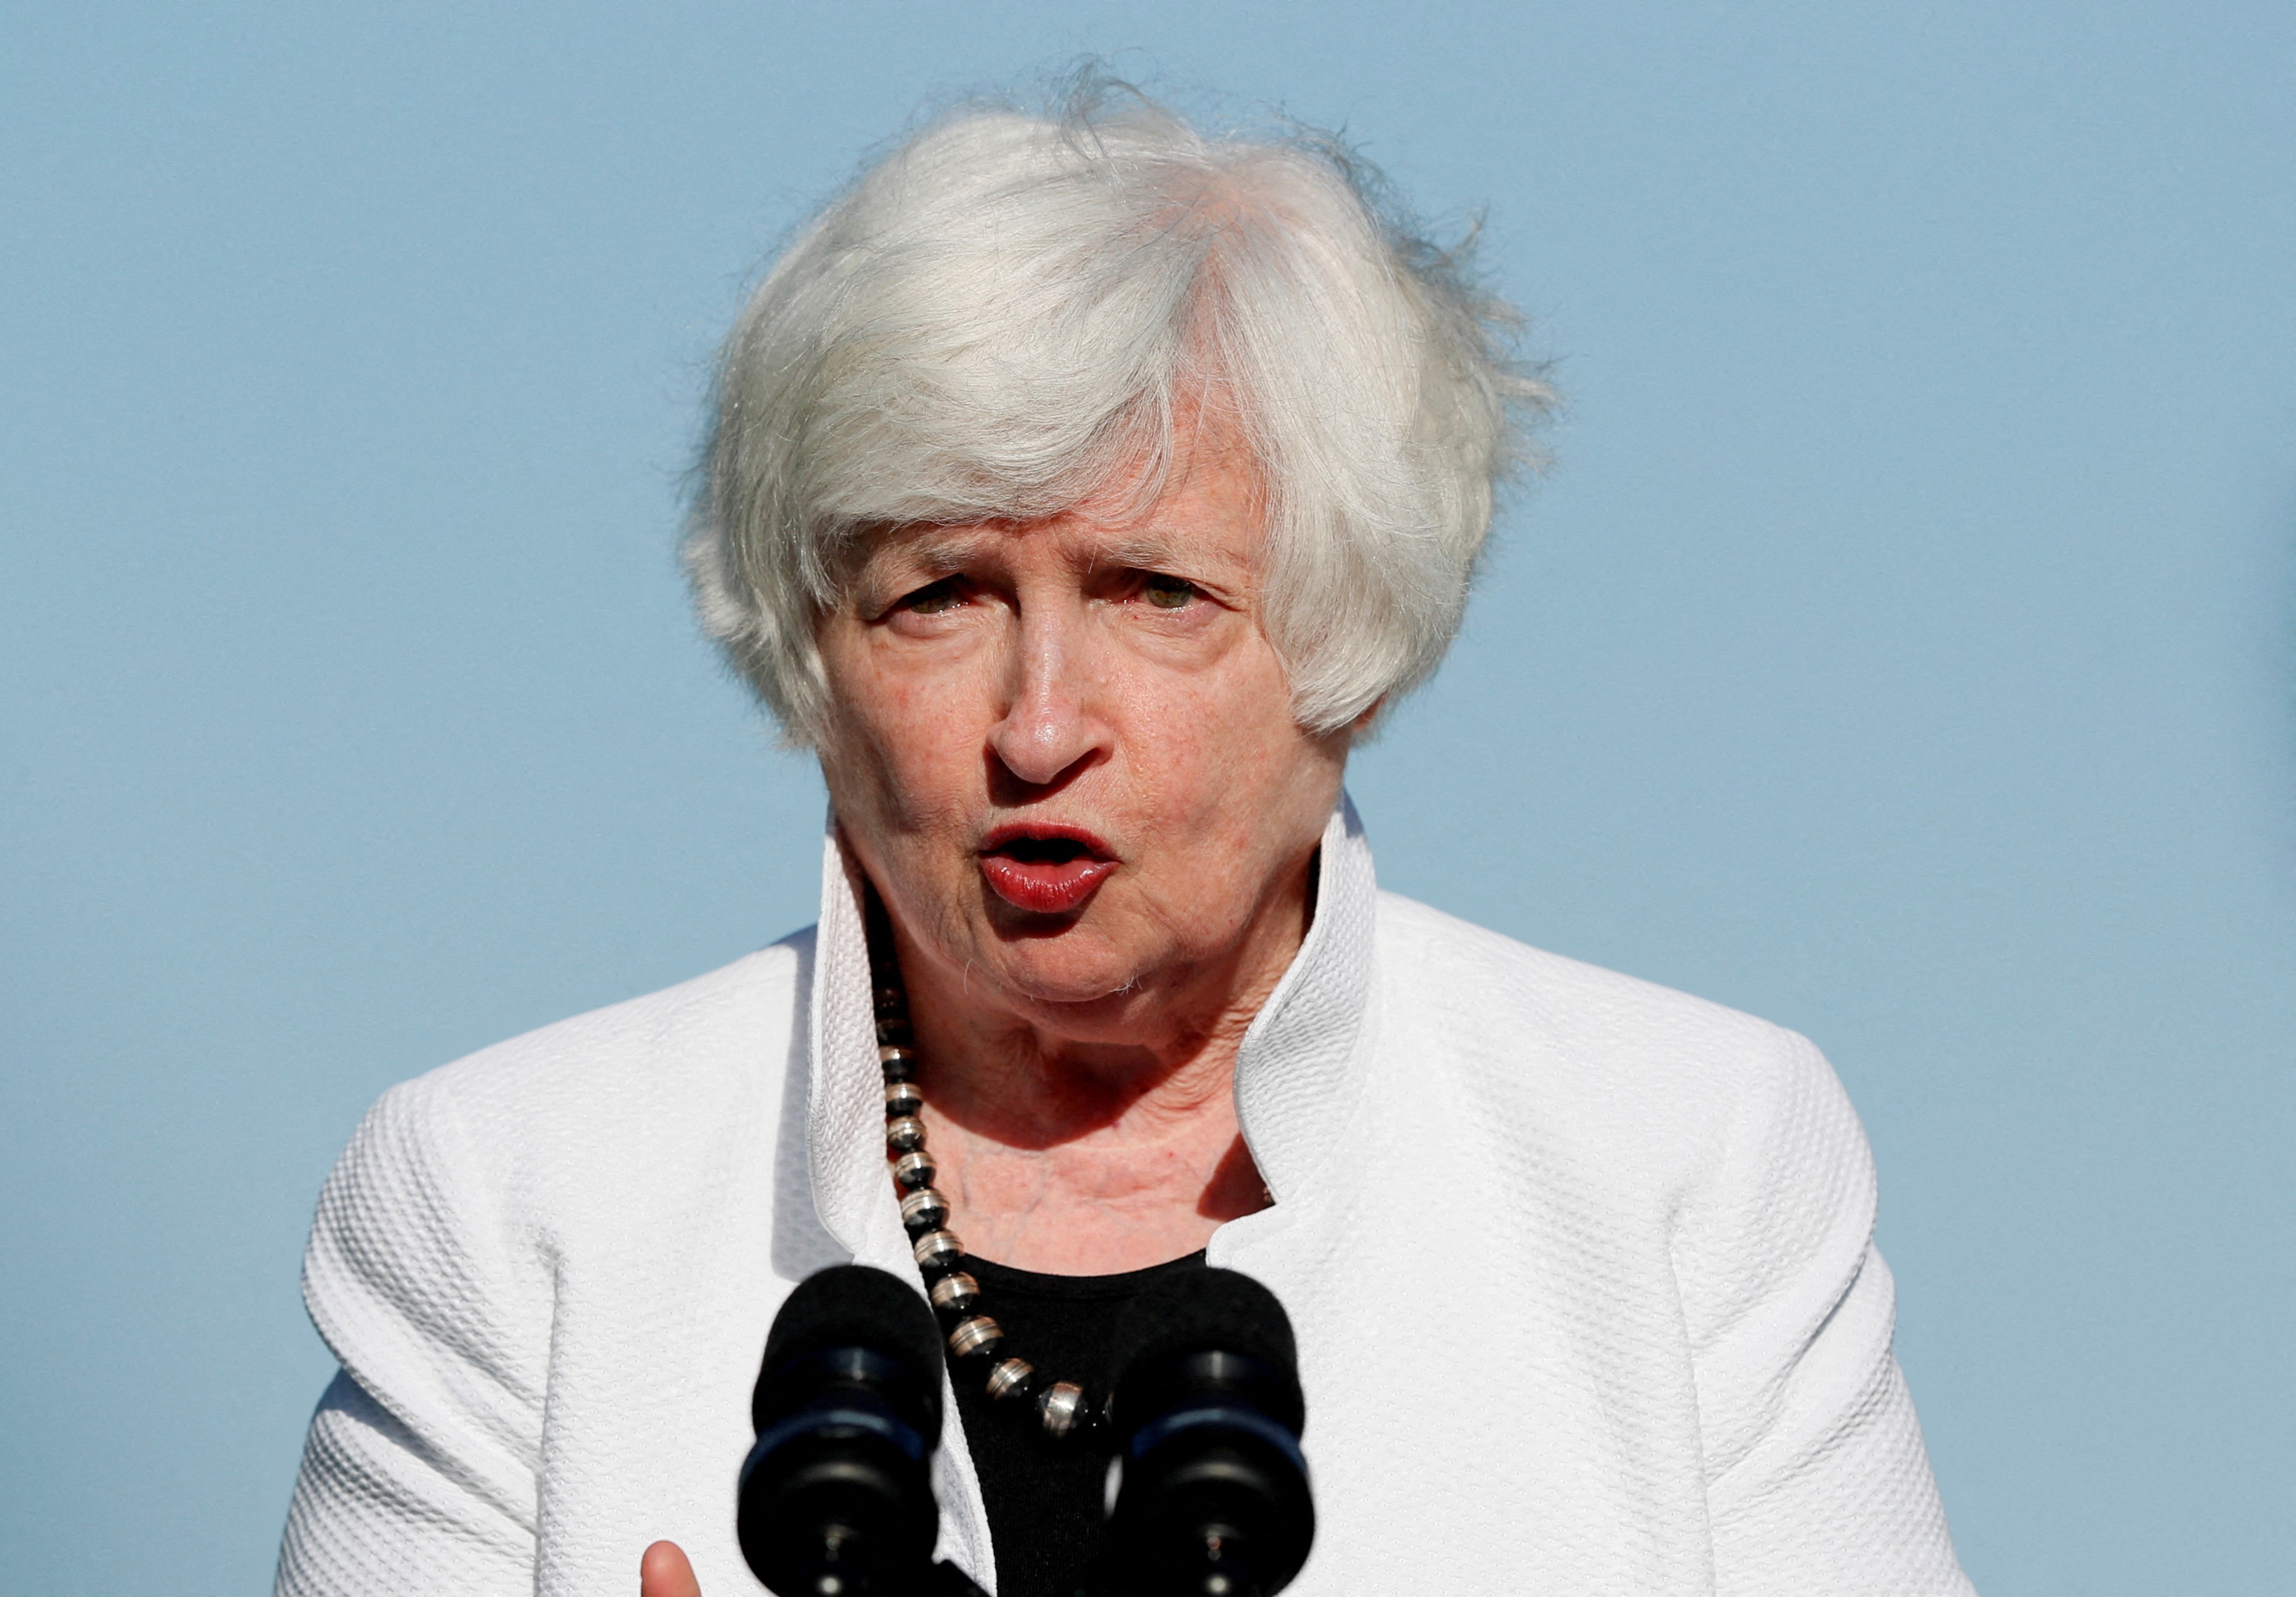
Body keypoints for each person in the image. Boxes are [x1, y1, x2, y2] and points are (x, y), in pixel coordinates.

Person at [274, 81, 1974, 1597]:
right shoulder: (511, 1210)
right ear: (811, 651)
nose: (1037, 724)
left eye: (1155, 591)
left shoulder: (1685, 1173)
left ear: (1352, 632)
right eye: (937, 595)